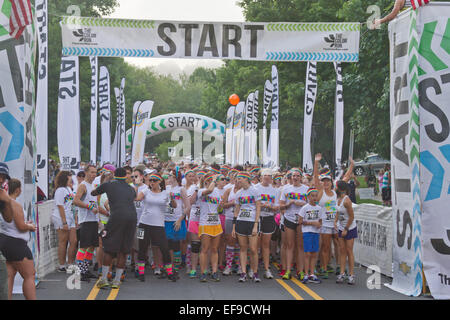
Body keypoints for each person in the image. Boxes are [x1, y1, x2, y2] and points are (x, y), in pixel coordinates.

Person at [92, 168, 138, 289]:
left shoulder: (109, 185)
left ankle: (104, 279)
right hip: (132, 218)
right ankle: (117, 281)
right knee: (123, 250)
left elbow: (93, 193)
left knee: (109, 249)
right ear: (125, 176)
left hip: (117, 217)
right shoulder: (131, 188)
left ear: (114, 175)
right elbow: (133, 197)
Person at [134, 172, 177, 282]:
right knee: (142, 248)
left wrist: (172, 198)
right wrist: (137, 185)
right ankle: (141, 272)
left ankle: (170, 272)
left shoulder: (165, 193)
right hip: (143, 223)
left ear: (159, 182)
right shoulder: (146, 191)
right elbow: (137, 199)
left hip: (158, 225)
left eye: (154, 180)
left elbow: (174, 206)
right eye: (151, 180)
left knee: (164, 248)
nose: (152, 182)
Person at [0, 179, 36, 300]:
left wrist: (25, 224)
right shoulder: (14, 204)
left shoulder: (4, 203)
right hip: (16, 243)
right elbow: (20, 227)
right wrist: (30, 226)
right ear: (18, 189)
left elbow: (13, 223)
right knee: (29, 275)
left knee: (9, 276)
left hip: (5, 241)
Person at [232, 171, 262, 283]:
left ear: (246, 179)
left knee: (253, 249)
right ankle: (243, 273)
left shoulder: (254, 190)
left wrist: (256, 224)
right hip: (241, 221)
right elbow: (236, 210)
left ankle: (255, 272)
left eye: (240, 178)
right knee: (243, 248)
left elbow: (258, 208)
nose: (238, 180)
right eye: (237, 179)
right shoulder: (238, 193)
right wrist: (234, 227)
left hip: (252, 222)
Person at [279, 168, 308, 280]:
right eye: (293, 176)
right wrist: (290, 203)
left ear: (301, 177)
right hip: (289, 218)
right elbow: (281, 206)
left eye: (297, 176)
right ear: (290, 177)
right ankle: (288, 270)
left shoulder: (306, 189)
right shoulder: (286, 189)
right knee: (289, 245)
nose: (295, 178)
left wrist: (303, 204)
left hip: (301, 219)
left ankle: (300, 271)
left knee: (300, 246)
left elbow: (312, 203)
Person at [72, 164, 100, 282]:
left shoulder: (92, 185)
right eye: (92, 172)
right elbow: (75, 200)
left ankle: (85, 270)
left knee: (92, 246)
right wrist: (89, 207)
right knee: (83, 246)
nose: (94, 175)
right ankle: (80, 272)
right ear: (86, 173)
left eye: (95, 172)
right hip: (86, 221)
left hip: (93, 220)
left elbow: (95, 204)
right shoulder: (83, 185)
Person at [197, 173, 223, 282]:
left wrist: (221, 206)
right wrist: (213, 180)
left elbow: (220, 208)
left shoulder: (218, 192)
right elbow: (209, 191)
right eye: (211, 181)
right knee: (205, 249)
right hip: (205, 223)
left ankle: (214, 272)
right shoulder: (200, 190)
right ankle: (203, 272)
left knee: (214, 249)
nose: (215, 182)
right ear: (207, 181)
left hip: (216, 223)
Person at [165, 168, 190, 276]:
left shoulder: (181, 189)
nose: (168, 178)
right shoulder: (166, 188)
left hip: (176, 220)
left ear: (175, 177)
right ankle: (169, 268)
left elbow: (188, 206)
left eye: (169, 176)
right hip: (166, 220)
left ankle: (175, 267)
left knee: (176, 245)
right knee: (167, 245)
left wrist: (180, 219)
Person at [52, 171, 77, 274]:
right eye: (69, 177)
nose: (71, 179)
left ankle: (70, 263)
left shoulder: (68, 189)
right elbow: (60, 206)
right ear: (65, 178)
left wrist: (75, 218)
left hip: (70, 217)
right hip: (61, 218)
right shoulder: (60, 190)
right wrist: (64, 222)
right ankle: (62, 265)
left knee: (74, 241)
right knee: (63, 241)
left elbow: (72, 204)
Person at [256, 169, 279, 279]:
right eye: (265, 176)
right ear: (261, 177)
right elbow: (252, 204)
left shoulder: (275, 190)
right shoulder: (255, 188)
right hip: (257, 218)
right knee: (255, 245)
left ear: (271, 179)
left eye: (269, 176)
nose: (267, 178)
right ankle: (253, 269)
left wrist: (269, 206)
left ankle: (266, 269)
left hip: (269, 218)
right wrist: (261, 205)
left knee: (266, 245)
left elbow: (277, 207)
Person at [298, 188, 324, 284]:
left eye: (315, 196)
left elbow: (320, 220)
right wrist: (311, 223)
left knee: (314, 253)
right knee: (307, 253)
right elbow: (300, 221)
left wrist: (319, 225)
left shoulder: (319, 208)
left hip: (316, 233)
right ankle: (305, 274)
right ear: (308, 197)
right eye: (312, 196)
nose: (314, 198)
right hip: (307, 232)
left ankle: (312, 274)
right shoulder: (305, 208)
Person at [334, 181, 358, 285]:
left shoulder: (346, 200)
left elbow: (352, 216)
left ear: (339, 188)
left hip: (350, 227)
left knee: (349, 251)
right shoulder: (338, 199)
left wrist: (346, 229)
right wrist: (335, 221)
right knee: (342, 250)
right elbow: (338, 211)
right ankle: (342, 273)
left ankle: (351, 274)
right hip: (341, 226)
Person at [0, 162, 14, 300]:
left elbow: (9, 218)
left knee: (3, 289)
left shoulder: (2, 194)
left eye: (3, 177)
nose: (1, 179)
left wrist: (7, 201)